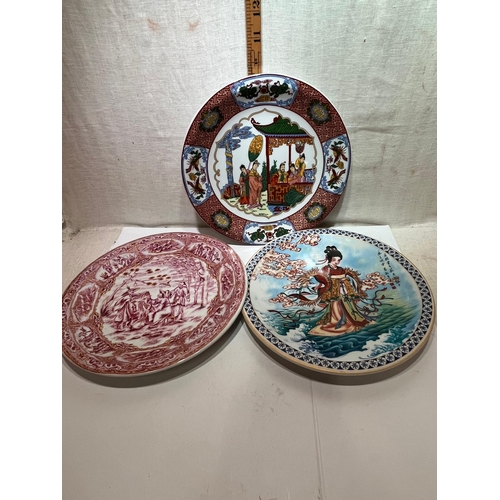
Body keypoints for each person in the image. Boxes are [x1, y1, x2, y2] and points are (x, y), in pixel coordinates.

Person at [308, 246, 371, 336]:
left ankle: (352, 320)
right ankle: (337, 321)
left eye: (339, 260)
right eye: (334, 260)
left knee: (348, 304)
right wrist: (318, 286)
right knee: (336, 306)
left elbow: (346, 277)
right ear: (329, 259)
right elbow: (323, 280)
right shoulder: (326, 269)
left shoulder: (341, 269)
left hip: (344, 289)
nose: (336, 262)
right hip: (334, 291)